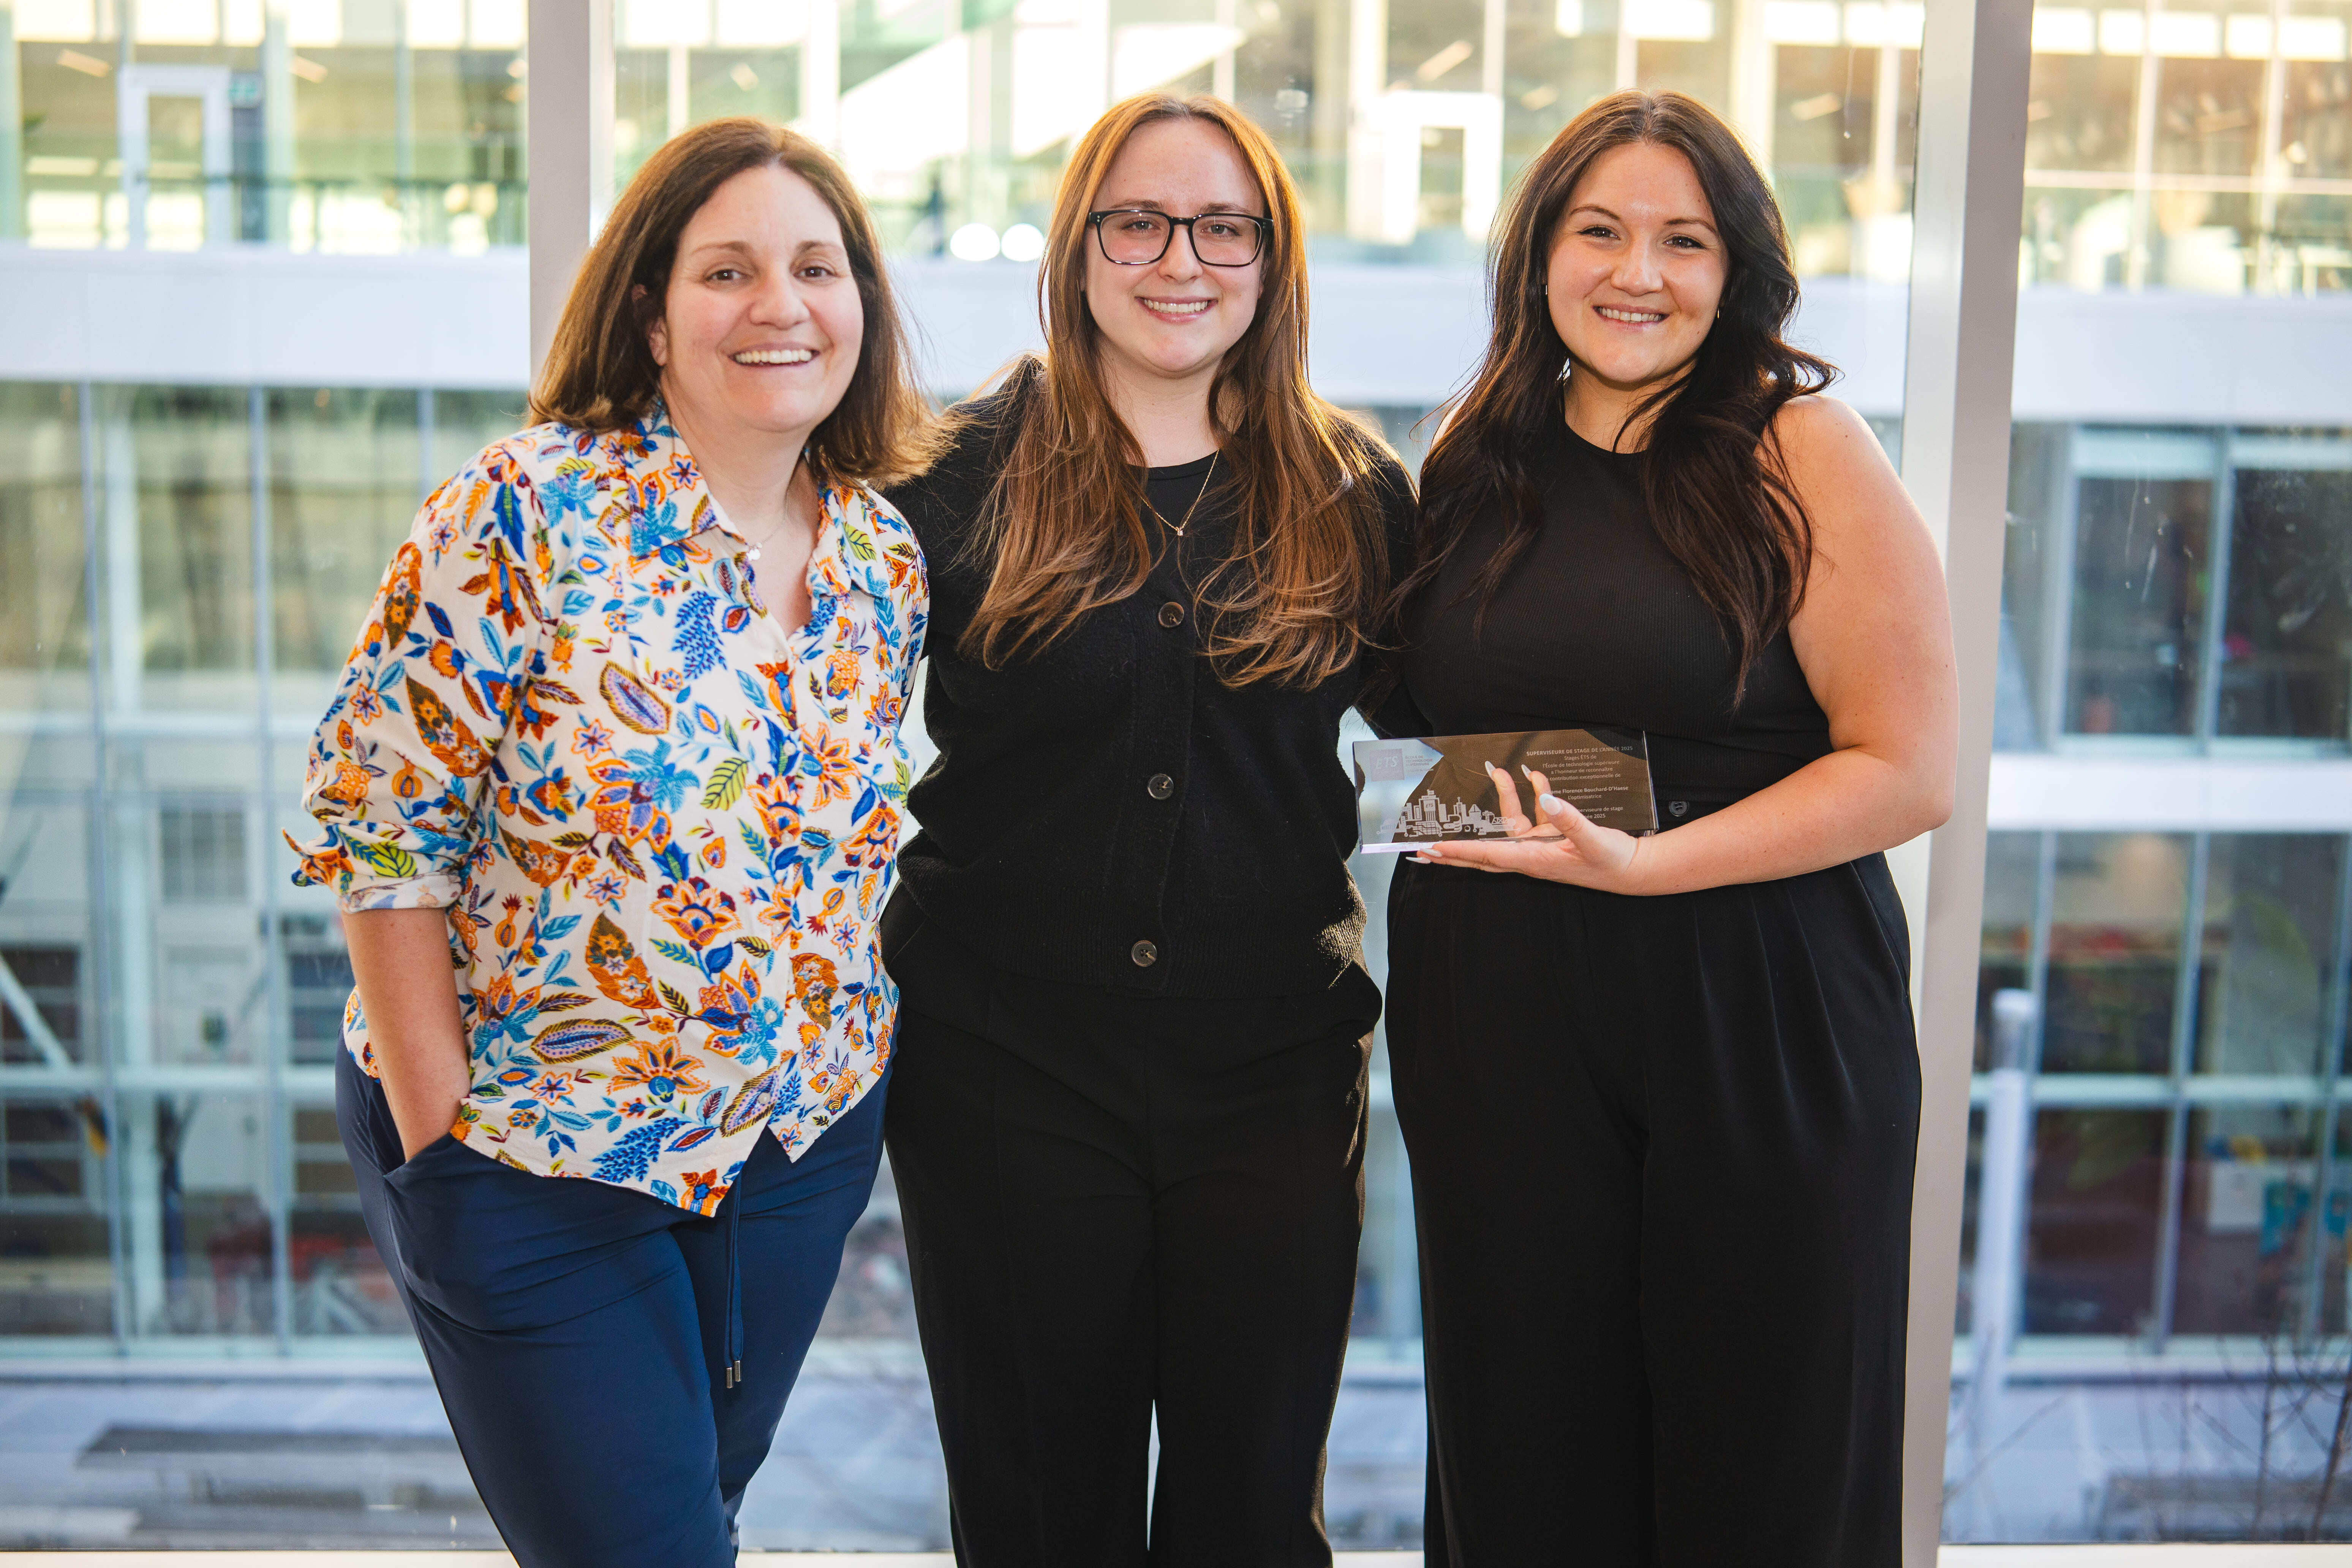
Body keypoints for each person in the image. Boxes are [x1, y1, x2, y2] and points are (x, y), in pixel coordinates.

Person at [287, 118, 934, 1568]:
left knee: (690, 1519)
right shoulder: (520, 506)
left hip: (792, 1148)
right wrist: (444, 1139)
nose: (781, 305)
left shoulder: (881, 556)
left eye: (816, 268)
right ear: (651, 312)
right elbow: (376, 830)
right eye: (728, 269)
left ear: (861, 310)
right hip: (534, 1150)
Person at [1386, 90, 1957, 1565]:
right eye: (1600, 230)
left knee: (1758, 1470)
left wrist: (1649, 868)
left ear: (1740, 268)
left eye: (1682, 240)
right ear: (1539, 255)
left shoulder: (1799, 444)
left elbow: (1909, 768)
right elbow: (1422, 721)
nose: (1637, 272)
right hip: (1502, 1016)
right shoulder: (1476, 448)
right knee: (1526, 1462)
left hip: (1753, 1008)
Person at [878, 93, 1415, 1568]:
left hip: (1273, 1079)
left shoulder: (1356, 491)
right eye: (1139, 220)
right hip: (1007, 1066)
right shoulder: (954, 470)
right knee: (1042, 1509)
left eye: (1223, 226)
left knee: (1250, 1514)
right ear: (1080, 245)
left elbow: (1459, 734)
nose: (1181, 258)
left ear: (1271, 254)